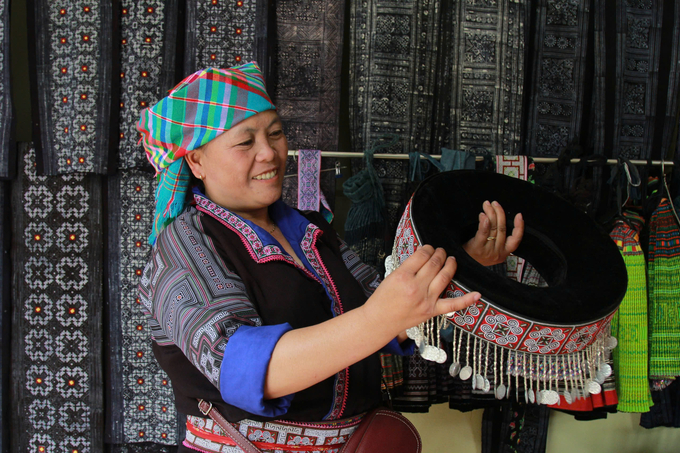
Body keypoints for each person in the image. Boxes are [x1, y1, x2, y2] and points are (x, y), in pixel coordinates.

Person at [137, 62, 524, 452]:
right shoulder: (184, 246)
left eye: (276, 134)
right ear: (196, 161)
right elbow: (245, 369)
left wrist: (465, 265)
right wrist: (382, 316)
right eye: (245, 142)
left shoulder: (313, 231)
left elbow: (395, 310)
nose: (269, 153)